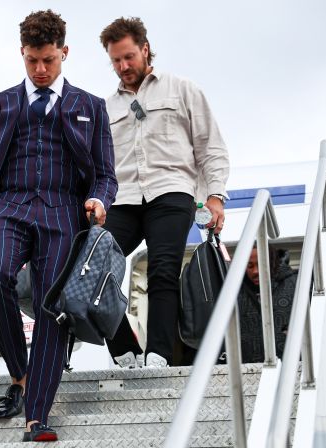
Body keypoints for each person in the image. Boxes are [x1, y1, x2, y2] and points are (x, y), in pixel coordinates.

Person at [0, 10, 117, 442]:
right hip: (7, 206)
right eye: (31, 61)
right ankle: (20, 373)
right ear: (21, 54)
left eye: (49, 61)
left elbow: (105, 174)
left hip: (63, 212)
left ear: (64, 52)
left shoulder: (90, 107)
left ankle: (36, 415)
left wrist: (98, 198)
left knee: (50, 308)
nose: (40, 71)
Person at [98, 17, 230, 368]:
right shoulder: (105, 108)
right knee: (94, 264)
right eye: (115, 61)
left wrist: (215, 196)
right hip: (123, 198)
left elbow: (211, 147)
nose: (123, 66)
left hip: (172, 191)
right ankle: (124, 348)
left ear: (144, 49)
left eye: (128, 57)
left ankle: (158, 353)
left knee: (163, 267)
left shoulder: (182, 89)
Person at [238, 246, 298, 363]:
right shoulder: (234, 290)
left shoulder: (295, 283)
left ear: (272, 262)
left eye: (261, 264)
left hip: (290, 367)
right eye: (250, 266)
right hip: (247, 372)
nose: (256, 271)